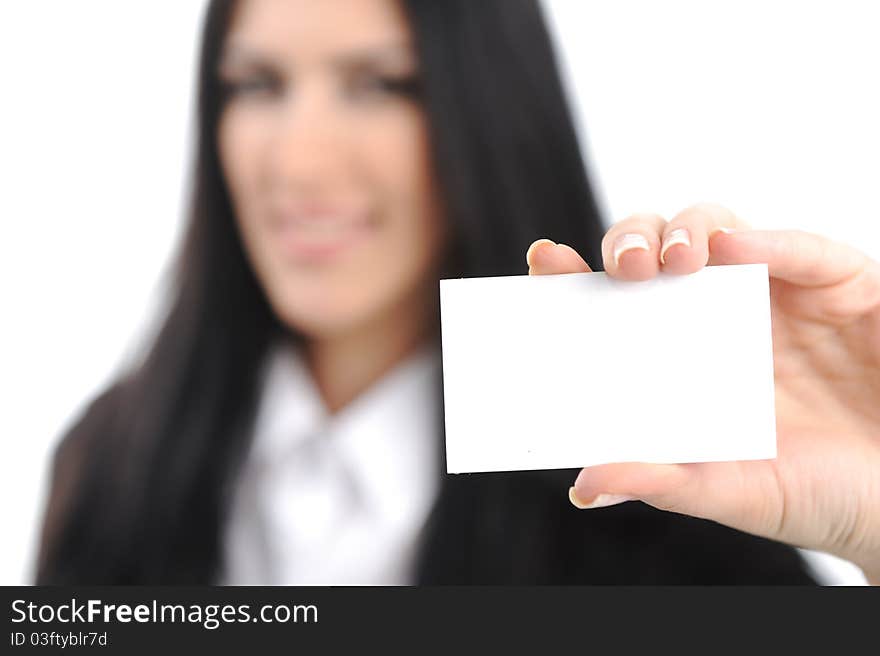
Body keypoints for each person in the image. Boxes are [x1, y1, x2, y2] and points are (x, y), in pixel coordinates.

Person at [35, 0, 879, 585]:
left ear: (485, 109)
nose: (296, 164)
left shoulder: (654, 494)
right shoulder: (110, 464)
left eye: (381, 84)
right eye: (257, 85)